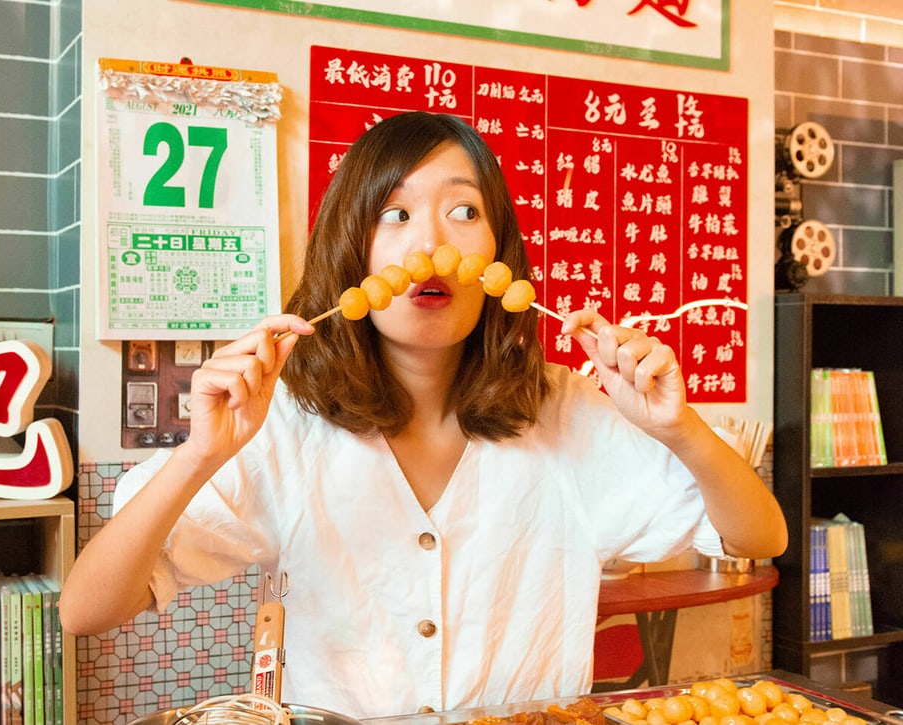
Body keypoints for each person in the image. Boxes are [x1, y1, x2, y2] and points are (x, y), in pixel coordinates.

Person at [59, 111, 787, 719]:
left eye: (464, 211)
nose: (432, 243)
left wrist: (678, 428)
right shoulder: (284, 421)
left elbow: (760, 534)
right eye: (396, 213)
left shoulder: (566, 412)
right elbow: (87, 608)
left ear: (498, 250)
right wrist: (198, 454)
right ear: (354, 252)